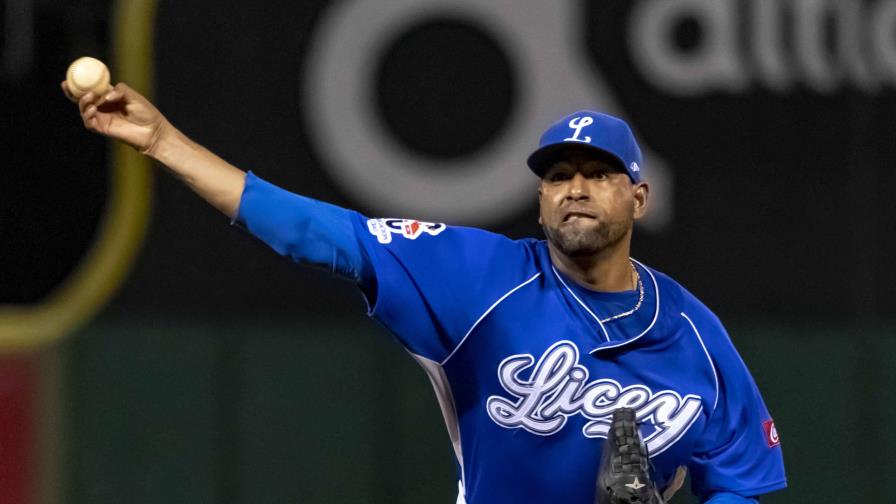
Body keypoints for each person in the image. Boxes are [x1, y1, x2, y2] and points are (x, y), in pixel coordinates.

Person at [63, 81, 787, 504]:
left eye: (596, 173)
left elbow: (743, 483)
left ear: (639, 197)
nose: (574, 188)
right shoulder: (480, 280)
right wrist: (162, 142)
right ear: (539, 202)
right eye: (558, 175)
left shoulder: (694, 334)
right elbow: (322, 236)